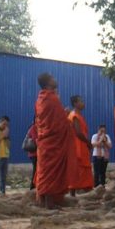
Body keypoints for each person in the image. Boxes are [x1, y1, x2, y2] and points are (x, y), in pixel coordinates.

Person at [34, 73, 77, 208]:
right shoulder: (52, 99)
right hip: (52, 142)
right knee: (50, 172)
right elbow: (58, 124)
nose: (56, 79)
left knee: (46, 171)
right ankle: (49, 203)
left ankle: (45, 201)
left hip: (45, 141)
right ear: (48, 82)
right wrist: (67, 120)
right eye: (53, 78)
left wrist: (63, 116)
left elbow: (46, 121)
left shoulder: (40, 99)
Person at [68, 95, 94, 195]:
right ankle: (72, 195)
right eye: (81, 101)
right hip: (77, 146)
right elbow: (78, 133)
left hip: (81, 146)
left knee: (83, 170)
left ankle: (86, 191)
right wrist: (88, 142)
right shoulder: (74, 115)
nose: (83, 103)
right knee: (77, 169)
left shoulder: (78, 115)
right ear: (75, 104)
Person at [23, 119, 39, 190]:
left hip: (36, 154)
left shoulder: (36, 127)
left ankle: (34, 187)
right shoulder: (33, 128)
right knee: (36, 171)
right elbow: (37, 140)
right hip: (34, 154)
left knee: (37, 171)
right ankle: (32, 188)